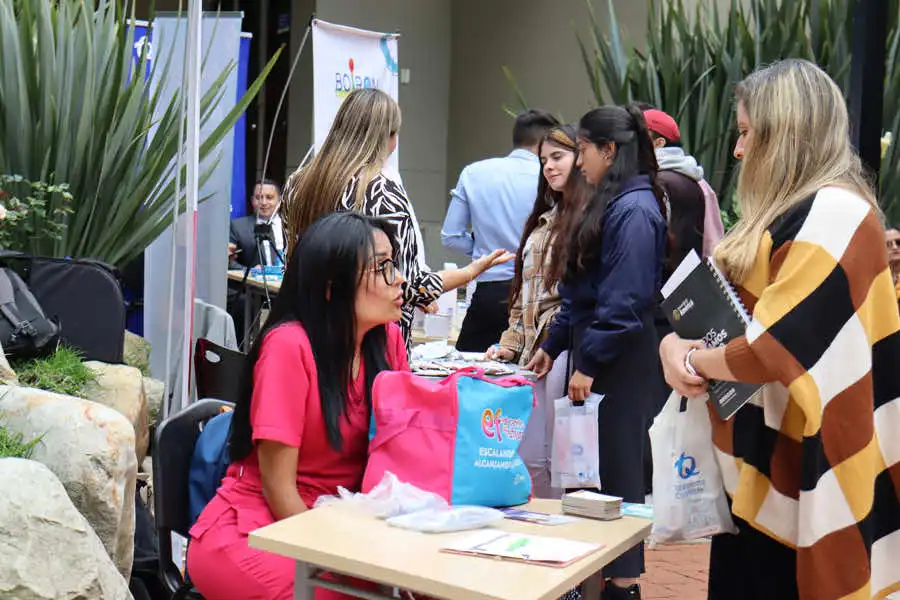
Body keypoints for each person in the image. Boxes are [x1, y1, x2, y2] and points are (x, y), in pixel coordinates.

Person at [658, 59, 900, 600]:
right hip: (760, 475)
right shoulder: (787, 216)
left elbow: (771, 346)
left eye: (746, 134)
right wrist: (672, 345)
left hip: (801, 474)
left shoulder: (835, 212)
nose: (738, 151)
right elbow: (719, 319)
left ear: (784, 133)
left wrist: (691, 361)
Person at [188, 212, 410, 600]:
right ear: (331, 287)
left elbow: (404, 452)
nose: (399, 278)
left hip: (345, 522)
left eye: (394, 264)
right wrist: (346, 558)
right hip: (262, 527)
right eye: (382, 267)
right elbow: (278, 489)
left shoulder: (386, 341)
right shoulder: (290, 347)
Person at [527, 105, 669, 600]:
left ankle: (622, 586)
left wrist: (587, 363)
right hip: (600, 355)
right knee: (590, 475)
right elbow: (581, 290)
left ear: (609, 151)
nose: (577, 159)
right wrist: (555, 344)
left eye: (582, 149)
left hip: (620, 364)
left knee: (618, 476)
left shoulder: (634, 209)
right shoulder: (611, 201)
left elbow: (624, 304)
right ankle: (592, 582)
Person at [284, 88, 512, 349]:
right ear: (389, 137)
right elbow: (413, 285)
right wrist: (471, 271)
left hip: (308, 330)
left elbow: (292, 262)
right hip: (369, 342)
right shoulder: (383, 191)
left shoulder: (297, 184)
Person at [485, 124, 592, 498]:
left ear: (581, 158)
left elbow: (576, 298)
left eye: (557, 157)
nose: (548, 167)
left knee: (559, 461)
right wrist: (508, 346)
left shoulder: (588, 219)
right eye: (543, 160)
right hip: (530, 355)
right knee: (527, 457)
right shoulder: (544, 219)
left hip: (560, 351)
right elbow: (522, 298)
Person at [442, 109, 560, 352]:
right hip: (537, 295)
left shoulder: (473, 173)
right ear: (542, 143)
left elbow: (451, 237)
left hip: (488, 289)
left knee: (471, 371)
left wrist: (487, 252)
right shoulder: (553, 177)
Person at [229, 178, 284, 268]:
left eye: (269, 197)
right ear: (252, 200)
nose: (263, 202)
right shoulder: (237, 226)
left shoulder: (290, 226)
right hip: (252, 281)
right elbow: (228, 261)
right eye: (258, 198)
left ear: (279, 200)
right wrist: (250, 272)